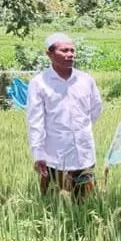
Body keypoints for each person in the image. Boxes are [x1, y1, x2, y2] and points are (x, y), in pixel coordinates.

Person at [26, 32, 102, 200]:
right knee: (56, 203)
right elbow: (35, 121)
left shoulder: (85, 80)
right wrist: (38, 153)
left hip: (84, 155)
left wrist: (80, 128)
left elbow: (96, 109)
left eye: (72, 50)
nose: (70, 55)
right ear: (49, 54)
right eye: (64, 51)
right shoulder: (39, 83)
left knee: (86, 202)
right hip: (55, 157)